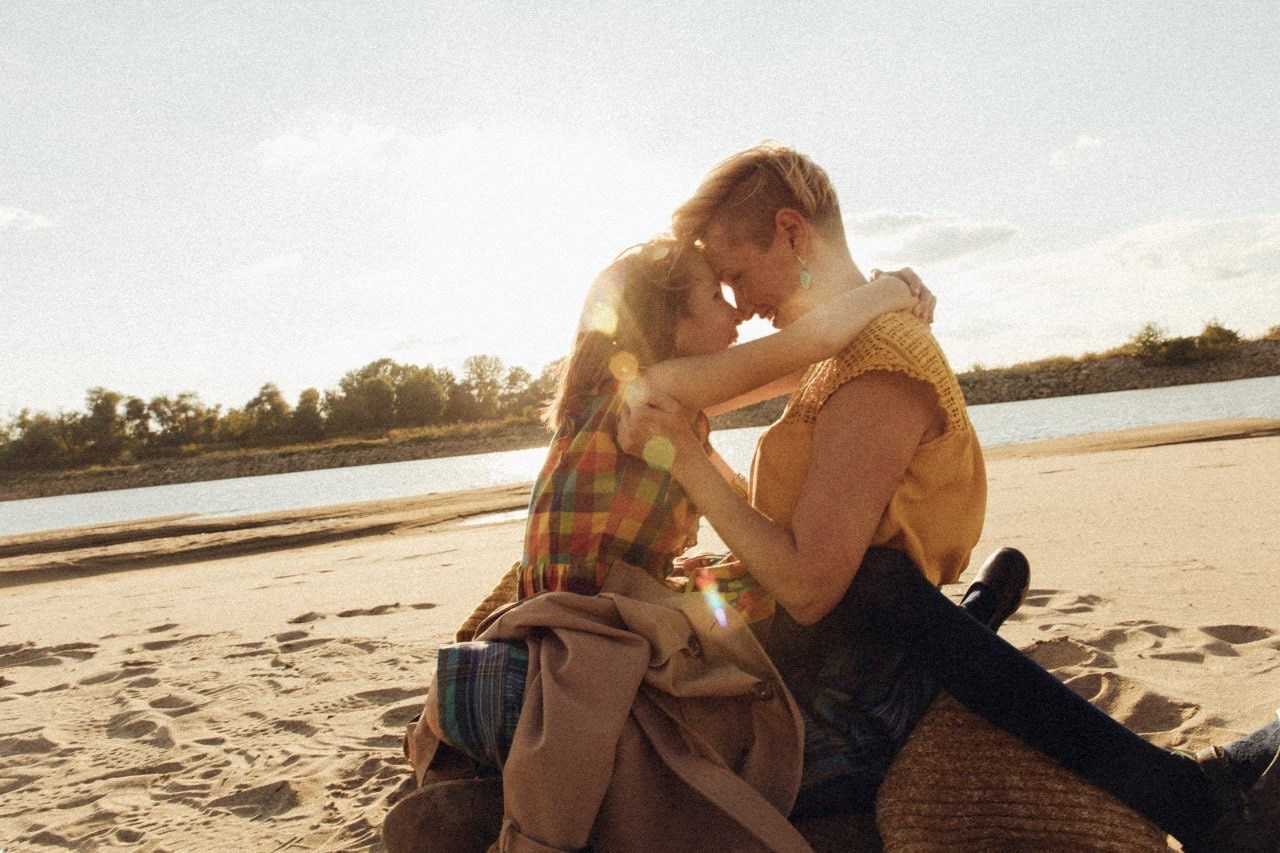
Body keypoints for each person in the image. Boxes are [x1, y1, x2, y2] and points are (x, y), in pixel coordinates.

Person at [617, 143, 1280, 851]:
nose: (741, 306)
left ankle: (1190, 791)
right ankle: (986, 613)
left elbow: (811, 587)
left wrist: (688, 460)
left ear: (791, 230)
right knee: (889, 587)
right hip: (851, 620)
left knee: (882, 583)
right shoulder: (830, 355)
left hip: (845, 660)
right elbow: (720, 380)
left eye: (738, 275)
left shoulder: (876, 362)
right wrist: (888, 285)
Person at [387, 235, 983, 850]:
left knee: (745, 580)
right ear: (668, 323)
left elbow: (803, 373)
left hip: (596, 610)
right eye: (716, 296)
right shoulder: (649, 386)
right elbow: (810, 350)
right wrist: (892, 289)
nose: (736, 313)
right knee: (778, 601)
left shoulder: (644, 403)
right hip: (596, 629)